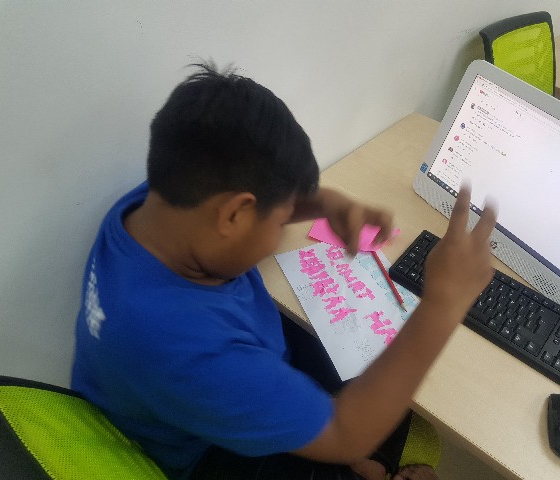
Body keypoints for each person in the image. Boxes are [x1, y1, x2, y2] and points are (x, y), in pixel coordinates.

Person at [71, 63, 497, 480]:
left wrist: (325, 203)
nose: (283, 230)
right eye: (279, 222)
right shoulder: (188, 347)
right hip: (210, 453)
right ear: (234, 214)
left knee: (367, 373)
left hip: (201, 390)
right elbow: (344, 435)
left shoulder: (161, 204)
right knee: (377, 413)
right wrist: (444, 304)